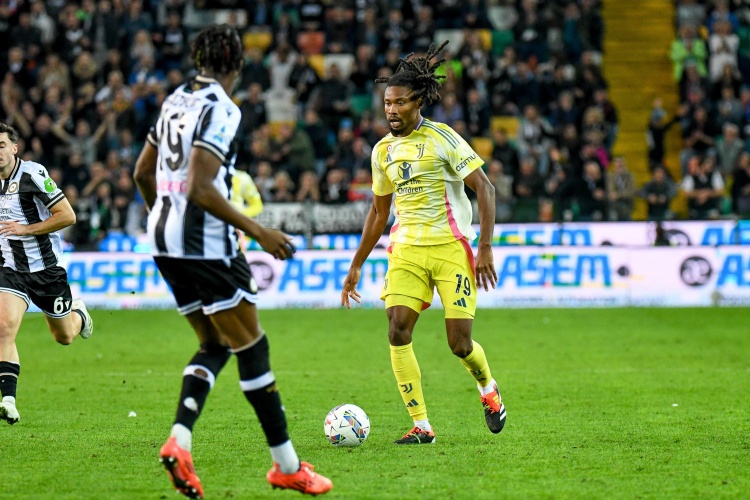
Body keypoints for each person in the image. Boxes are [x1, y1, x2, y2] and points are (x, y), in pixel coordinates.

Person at [133, 25, 331, 499]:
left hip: (162, 240)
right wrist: (259, 232)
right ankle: (286, 466)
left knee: (215, 343)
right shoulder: (222, 107)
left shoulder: (175, 100)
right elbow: (202, 188)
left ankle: (179, 441)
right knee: (252, 347)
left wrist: (166, 222)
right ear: (238, 64)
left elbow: (142, 172)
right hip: (205, 244)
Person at [340, 42, 506, 445]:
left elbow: (485, 188)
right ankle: (422, 425)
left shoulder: (443, 138)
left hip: (450, 248)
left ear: (418, 102)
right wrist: (357, 263)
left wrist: (484, 247)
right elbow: (378, 211)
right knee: (397, 330)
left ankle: (488, 388)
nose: (392, 110)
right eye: (387, 103)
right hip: (406, 251)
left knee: (459, 344)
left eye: (400, 102)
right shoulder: (382, 151)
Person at [0, 122, 94, 425]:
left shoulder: (33, 174)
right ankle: (8, 401)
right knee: (4, 327)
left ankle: (79, 314)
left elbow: (68, 215)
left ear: (14, 148)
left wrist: (26, 229)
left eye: (1, 146)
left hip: (46, 270)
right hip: (10, 268)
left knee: (64, 336)